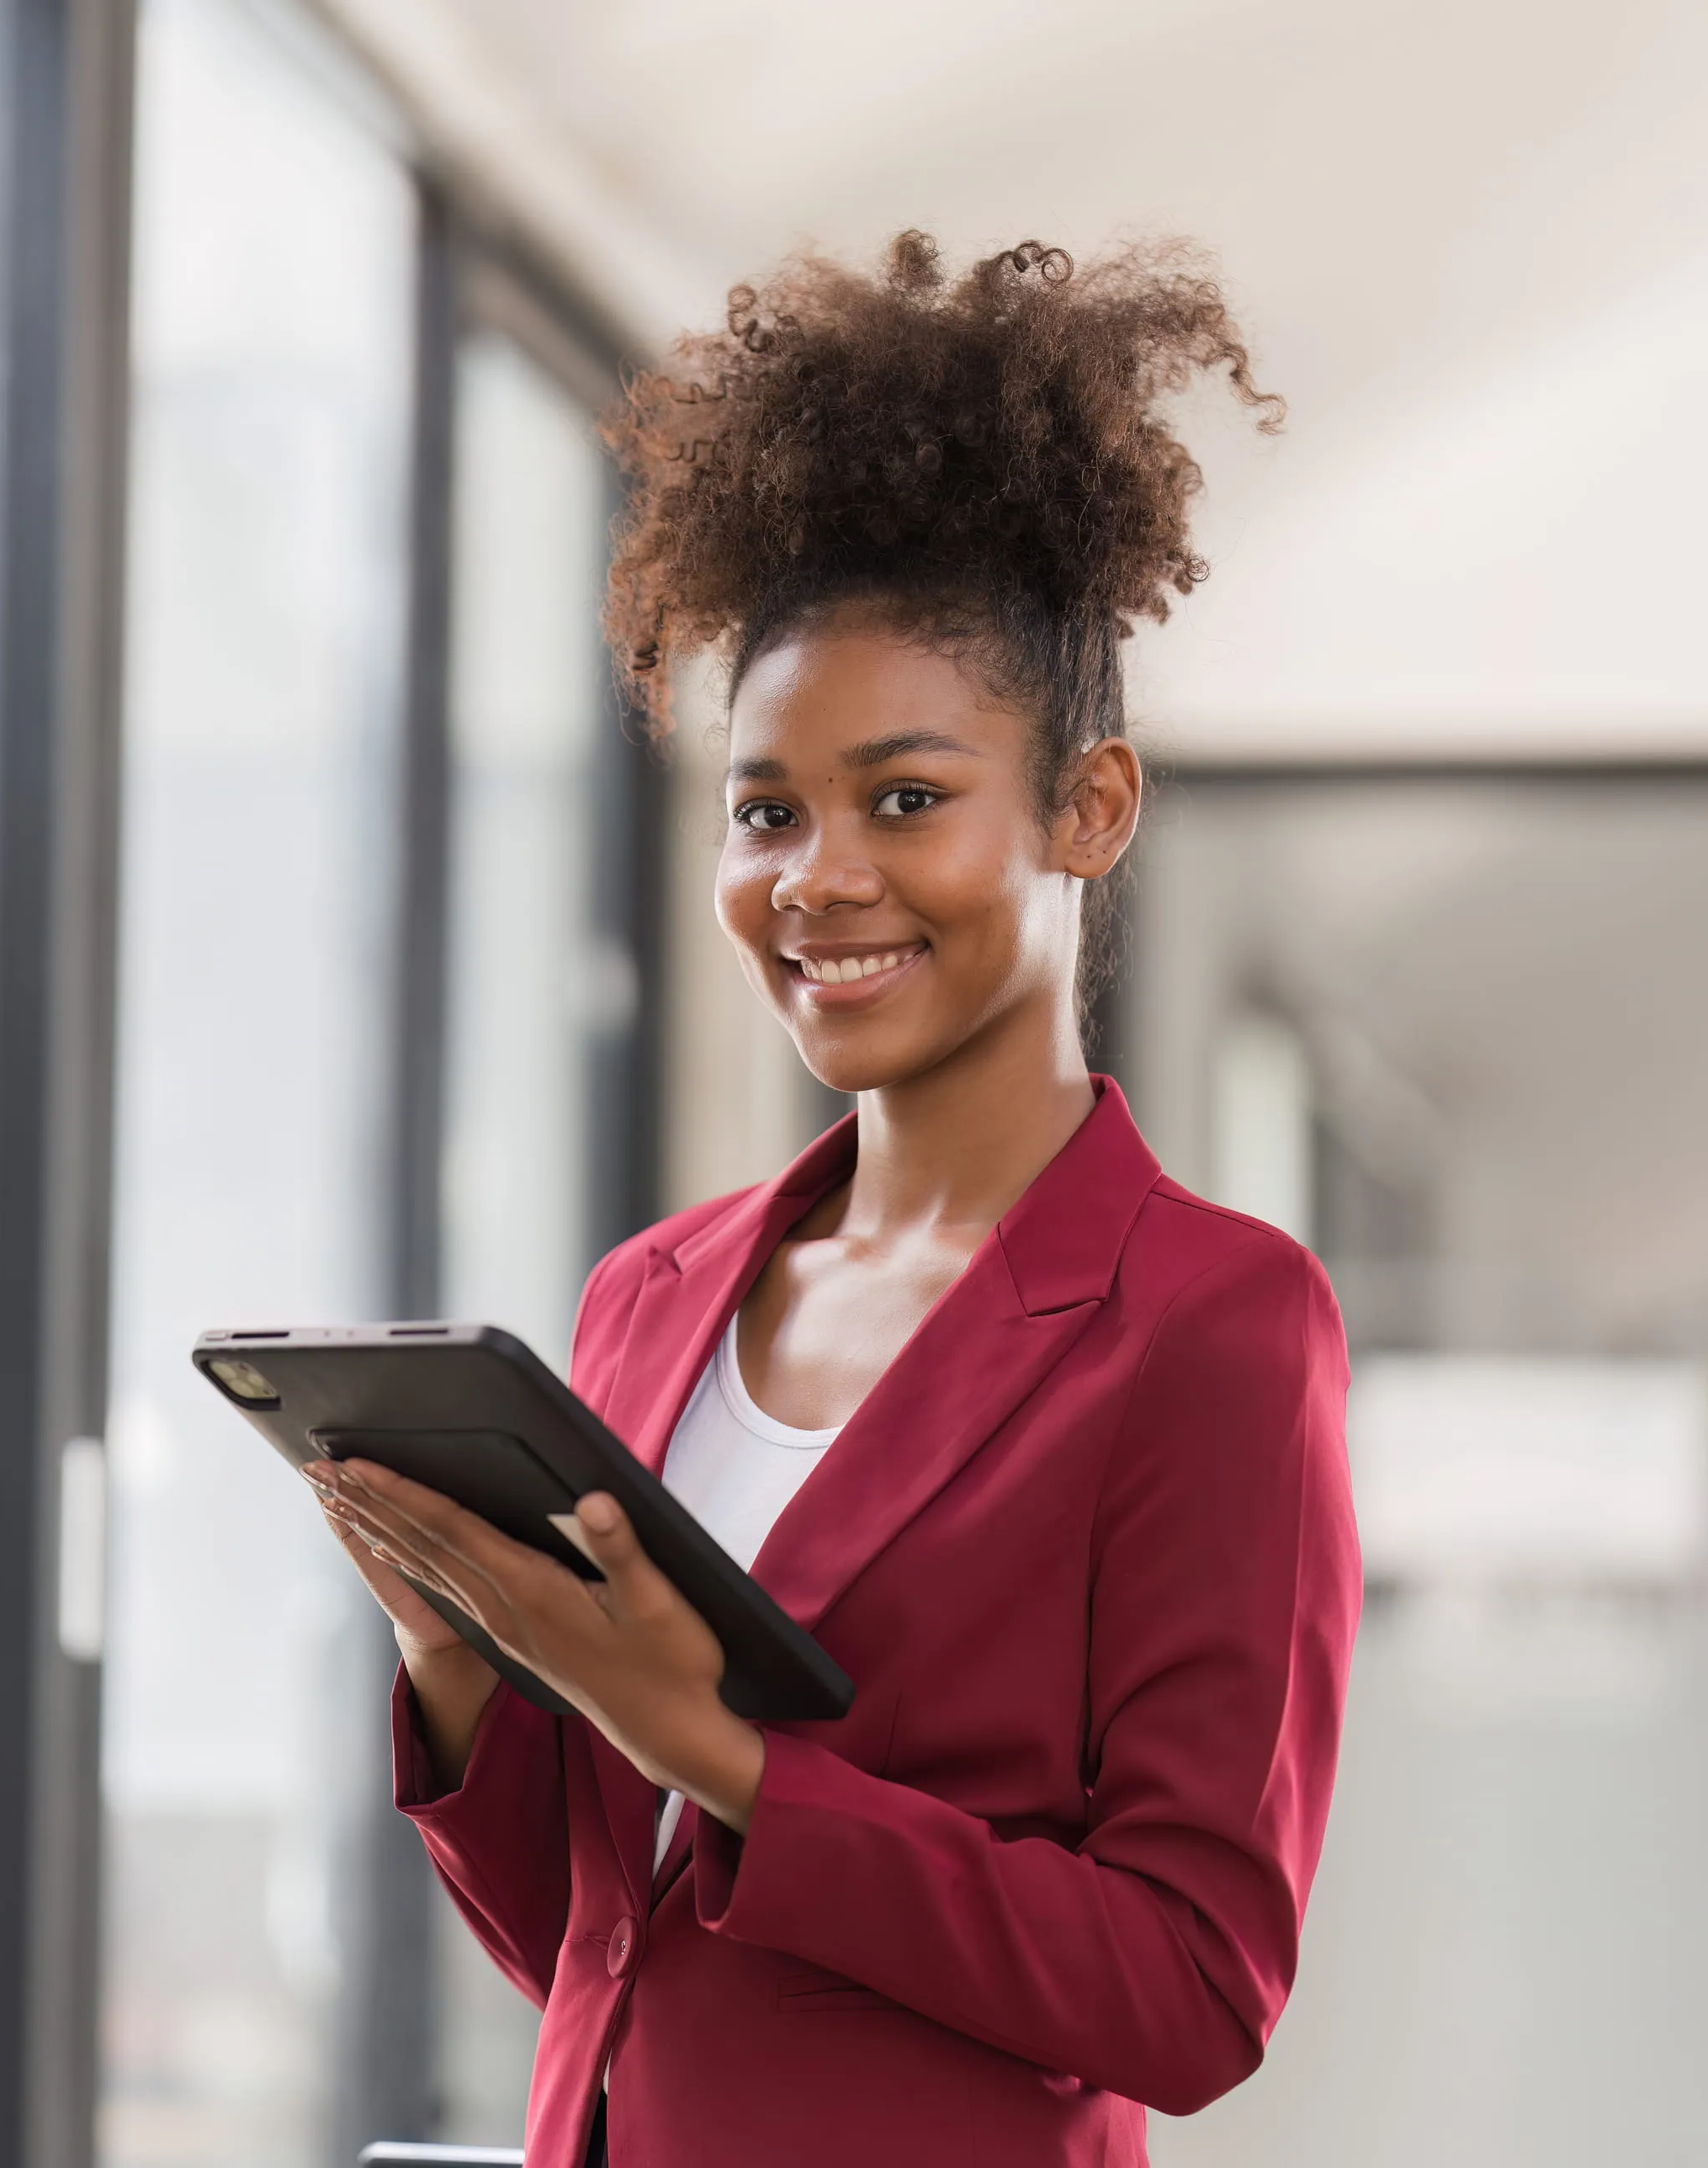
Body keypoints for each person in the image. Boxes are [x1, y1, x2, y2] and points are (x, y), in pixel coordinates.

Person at [306, 231, 1358, 2168]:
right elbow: (605, 1960)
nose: (817, 877)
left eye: (904, 798)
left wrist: (718, 1747)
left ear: (1087, 809)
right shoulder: (654, 1293)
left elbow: (1195, 1987)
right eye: (767, 806)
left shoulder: (1212, 1321)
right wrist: (460, 1659)